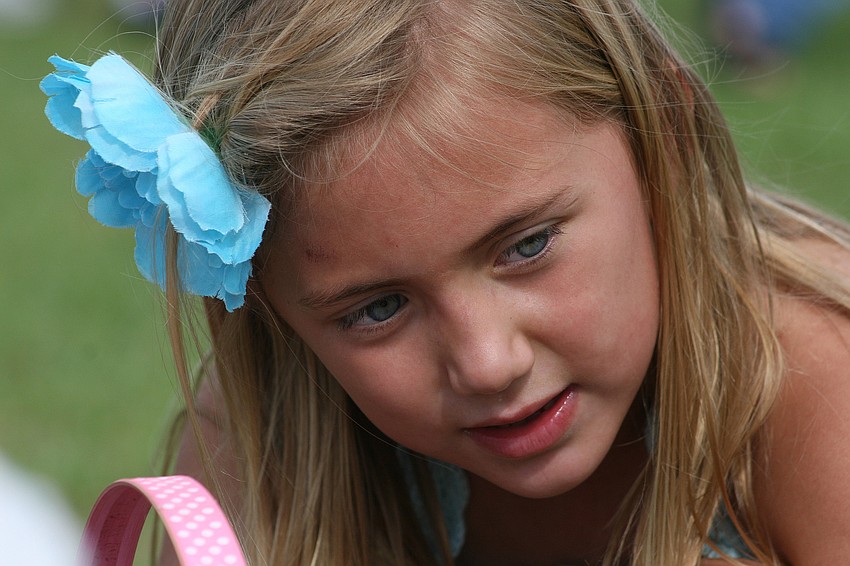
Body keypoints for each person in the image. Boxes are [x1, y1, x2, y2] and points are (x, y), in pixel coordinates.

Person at [41, 0, 850, 564]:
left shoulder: (817, 380)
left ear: (657, 142)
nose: (487, 362)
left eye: (527, 246)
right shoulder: (263, 446)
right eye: (379, 309)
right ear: (269, 310)